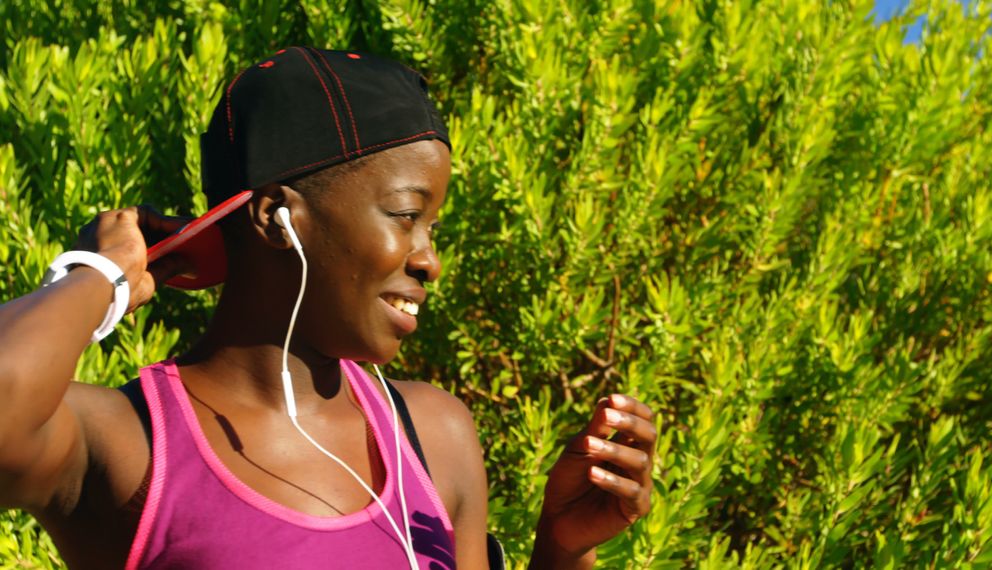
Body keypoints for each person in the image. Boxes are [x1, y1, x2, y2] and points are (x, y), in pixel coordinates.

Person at [0, 47, 655, 569]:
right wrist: (97, 275)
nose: (430, 260)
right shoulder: (129, 443)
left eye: (433, 225)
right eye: (405, 214)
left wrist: (562, 551)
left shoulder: (433, 437)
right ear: (276, 217)